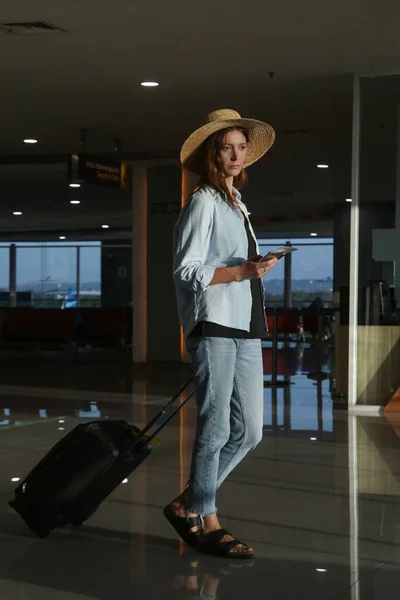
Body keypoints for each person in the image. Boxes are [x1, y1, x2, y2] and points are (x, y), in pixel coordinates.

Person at [164, 109, 277, 558]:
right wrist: (241, 271)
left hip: (245, 323)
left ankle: (188, 502)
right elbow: (187, 270)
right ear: (213, 153)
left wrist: (255, 270)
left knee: (249, 431)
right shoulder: (204, 202)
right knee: (215, 426)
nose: (236, 154)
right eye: (227, 147)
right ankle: (207, 520)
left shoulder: (236, 202)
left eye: (241, 147)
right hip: (214, 323)